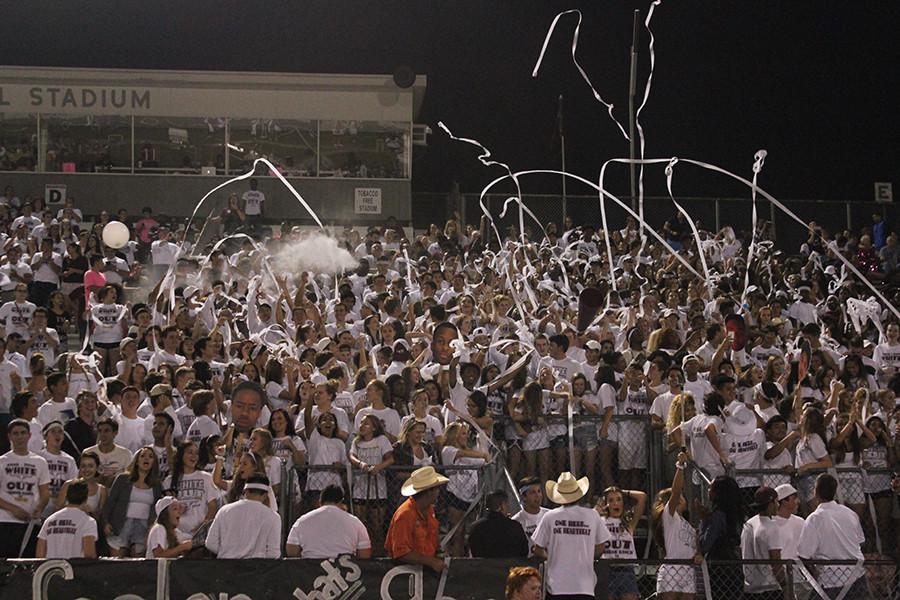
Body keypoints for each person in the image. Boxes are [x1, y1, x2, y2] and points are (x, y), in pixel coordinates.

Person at [532, 471, 611, 600]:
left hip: (556, 587)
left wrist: (552, 556)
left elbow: (537, 549)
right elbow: (601, 547)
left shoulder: (549, 517)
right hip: (584, 587)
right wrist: (586, 554)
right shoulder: (592, 515)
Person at [797, 473, 867, 599]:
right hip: (856, 576)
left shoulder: (815, 518)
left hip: (831, 581)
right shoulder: (850, 513)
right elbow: (860, 542)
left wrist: (814, 575)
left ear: (815, 492)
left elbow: (803, 555)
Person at [0, 418, 50, 557]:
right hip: (5, 520)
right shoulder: (2, 462)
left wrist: (39, 508)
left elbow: (45, 493)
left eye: (23, 433)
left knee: (26, 563)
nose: (19, 437)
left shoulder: (40, 462)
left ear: (29, 435)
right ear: (9, 436)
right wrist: (13, 509)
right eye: (15, 433)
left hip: (29, 522)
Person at [101, 446, 163, 557]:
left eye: (150, 457)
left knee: (138, 560)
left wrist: (152, 527)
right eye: (143, 456)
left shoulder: (157, 485)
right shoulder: (123, 479)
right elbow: (110, 502)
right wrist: (105, 522)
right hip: (121, 524)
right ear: (137, 461)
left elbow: (158, 508)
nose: (146, 459)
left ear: (154, 462)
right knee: (117, 561)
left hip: (144, 526)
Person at [385, 465, 448, 573]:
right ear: (429, 492)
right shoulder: (404, 515)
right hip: (406, 573)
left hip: (424, 569)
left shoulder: (429, 510)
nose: (438, 492)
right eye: (436, 488)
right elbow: (401, 552)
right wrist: (431, 562)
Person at [205, 474, 281, 559]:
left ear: (246, 491)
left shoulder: (224, 510)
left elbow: (210, 543)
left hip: (226, 568)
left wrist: (227, 552)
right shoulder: (273, 517)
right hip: (257, 570)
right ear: (265, 495)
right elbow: (273, 553)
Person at [285, 485, 372, 559]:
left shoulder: (302, 521)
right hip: (344, 573)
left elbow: (291, 550)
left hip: (310, 573)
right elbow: (365, 554)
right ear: (341, 502)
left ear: (320, 502)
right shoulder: (355, 522)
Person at [596, 486, 647, 600]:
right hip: (607, 568)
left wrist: (622, 492)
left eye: (619, 499)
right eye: (611, 500)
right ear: (606, 504)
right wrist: (596, 511)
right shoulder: (600, 521)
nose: (615, 503)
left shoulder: (628, 522)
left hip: (626, 568)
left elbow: (642, 497)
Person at [699, 476, 744, 599]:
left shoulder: (718, 516)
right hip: (734, 565)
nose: (708, 491)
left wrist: (703, 520)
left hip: (718, 568)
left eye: (711, 488)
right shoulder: (736, 515)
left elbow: (704, 544)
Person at [740, 486, 786, 600]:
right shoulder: (771, 527)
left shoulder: (748, 524)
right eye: (776, 502)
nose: (778, 505)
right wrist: (785, 585)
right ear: (770, 504)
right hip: (769, 587)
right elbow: (776, 561)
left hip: (750, 587)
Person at [36, 479, 97, 559]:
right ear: (86, 499)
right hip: (75, 569)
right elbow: (89, 555)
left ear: (66, 497)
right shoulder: (88, 522)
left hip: (53, 569)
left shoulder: (50, 520)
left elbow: (39, 554)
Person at [468, 490, 529, 558]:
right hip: (512, 567)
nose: (508, 507)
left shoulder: (476, 528)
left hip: (484, 567)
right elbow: (524, 551)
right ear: (502, 506)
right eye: (506, 504)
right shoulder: (515, 527)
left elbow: (474, 552)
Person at [511, 476, 549, 554]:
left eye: (539, 491)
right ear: (523, 497)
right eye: (532, 493)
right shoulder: (516, 521)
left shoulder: (549, 515)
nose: (537, 496)